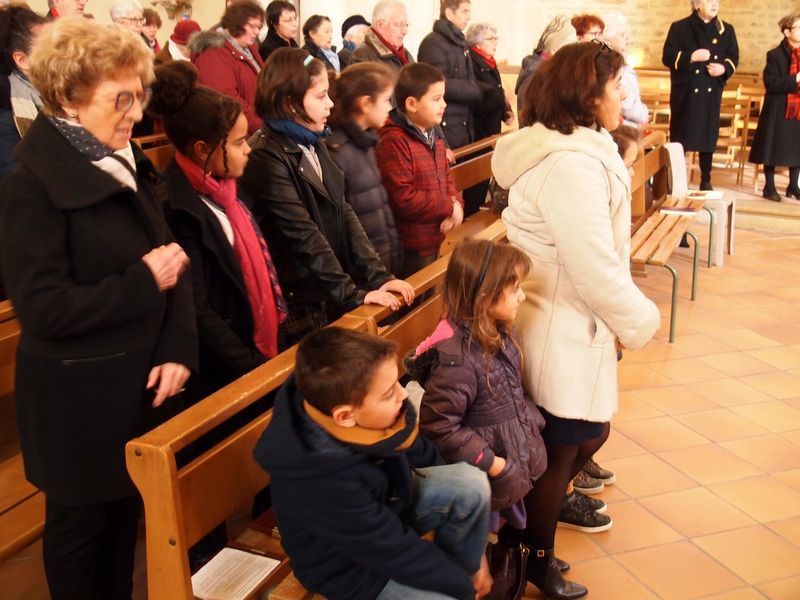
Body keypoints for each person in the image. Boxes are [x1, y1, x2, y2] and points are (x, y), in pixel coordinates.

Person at [0, 18, 197, 599]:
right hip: (76, 404)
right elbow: (43, 309)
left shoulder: (121, 156)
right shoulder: (30, 186)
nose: (136, 113)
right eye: (121, 99)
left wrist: (178, 348)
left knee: (121, 529)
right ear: (67, 97)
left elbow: (174, 261)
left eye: (140, 97)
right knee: (83, 537)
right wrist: (142, 281)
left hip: (137, 383)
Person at [492, 42, 660, 599]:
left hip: (567, 315)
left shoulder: (578, 149)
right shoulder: (570, 164)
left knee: (575, 439)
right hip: (559, 321)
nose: (625, 97)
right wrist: (639, 319)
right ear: (587, 98)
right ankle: (534, 560)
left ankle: (528, 541)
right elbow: (592, 265)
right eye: (618, 88)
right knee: (562, 444)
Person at [253, 326, 492, 600]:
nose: (402, 395)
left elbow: (417, 449)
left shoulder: (344, 401)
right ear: (345, 417)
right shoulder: (323, 479)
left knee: (469, 484)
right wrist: (460, 586)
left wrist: (469, 571)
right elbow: (391, 550)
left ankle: (464, 578)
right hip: (350, 569)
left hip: (387, 507)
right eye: (389, 392)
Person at [240, 48, 414, 346]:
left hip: (327, 286)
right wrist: (351, 295)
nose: (330, 104)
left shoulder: (312, 137)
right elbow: (303, 235)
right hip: (300, 296)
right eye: (320, 96)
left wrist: (379, 276)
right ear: (289, 103)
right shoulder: (267, 156)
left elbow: (344, 209)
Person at [150, 61, 285, 406]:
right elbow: (198, 308)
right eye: (239, 143)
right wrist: (251, 367)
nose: (248, 149)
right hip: (222, 372)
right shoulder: (178, 210)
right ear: (202, 151)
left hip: (254, 350)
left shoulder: (228, 190)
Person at [376, 63, 463, 279]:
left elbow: (447, 179)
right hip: (411, 244)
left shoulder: (433, 133)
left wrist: (458, 204)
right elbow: (403, 199)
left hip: (435, 235)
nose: (443, 104)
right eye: (436, 99)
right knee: (416, 305)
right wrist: (449, 206)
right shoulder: (394, 140)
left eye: (443, 97)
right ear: (412, 103)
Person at [327, 62, 403, 275]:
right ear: (365, 103)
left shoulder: (365, 142)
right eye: (387, 100)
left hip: (381, 256)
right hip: (362, 269)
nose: (390, 107)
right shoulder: (337, 150)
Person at [662, 0, 739, 191]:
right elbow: (667, 56)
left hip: (710, 91)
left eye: (717, 1)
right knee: (681, 135)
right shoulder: (680, 27)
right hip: (686, 92)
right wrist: (692, 57)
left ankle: (706, 178)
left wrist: (723, 68)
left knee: (707, 135)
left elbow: (733, 57)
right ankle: (676, 179)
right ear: (696, 4)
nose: (714, 4)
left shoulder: (726, 30)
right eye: (708, 0)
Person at [749, 11, 800, 202]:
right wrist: (795, 80)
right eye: (798, 28)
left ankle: (793, 186)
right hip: (778, 107)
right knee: (771, 146)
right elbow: (771, 83)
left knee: (798, 145)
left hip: (798, 108)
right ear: (787, 32)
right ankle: (769, 186)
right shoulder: (775, 55)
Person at [193, 0, 264, 135]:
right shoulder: (212, 51)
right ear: (236, 22)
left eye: (259, 27)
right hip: (231, 133)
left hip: (253, 129)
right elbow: (226, 99)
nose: (257, 32)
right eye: (252, 26)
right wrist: (262, 126)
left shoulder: (250, 47)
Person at [0, 5, 47, 182]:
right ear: (22, 60)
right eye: (51, 46)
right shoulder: (7, 118)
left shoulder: (69, 92)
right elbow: (16, 185)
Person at [515, 15, 576, 122]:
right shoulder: (534, 76)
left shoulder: (551, 72)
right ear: (554, 49)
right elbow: (530, 121)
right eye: (570, 46)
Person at [467, 22, 513, 141]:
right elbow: (476, 95)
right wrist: (498, 104)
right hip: (479, 129)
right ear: (477, 43)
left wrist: (506, 110)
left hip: (492, 125)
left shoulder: (490, 61)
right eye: (490, 39)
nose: (495, 42)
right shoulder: (471, 62)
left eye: (495, 38)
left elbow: (498, 89)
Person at [603, 13, 648, 129]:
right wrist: (642, 115)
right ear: (608, 40)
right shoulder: (610, 68)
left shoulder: (626, 66)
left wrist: (642, 115)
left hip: (633, 124)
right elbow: (626, 108)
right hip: (620, 128)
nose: (627, 39)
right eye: (622, 35)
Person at [352, 0, 414, 72]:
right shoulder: (362, 57)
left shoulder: (406, 54)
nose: (405, 31)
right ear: (380, 25)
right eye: (398, 25)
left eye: (406, 25)